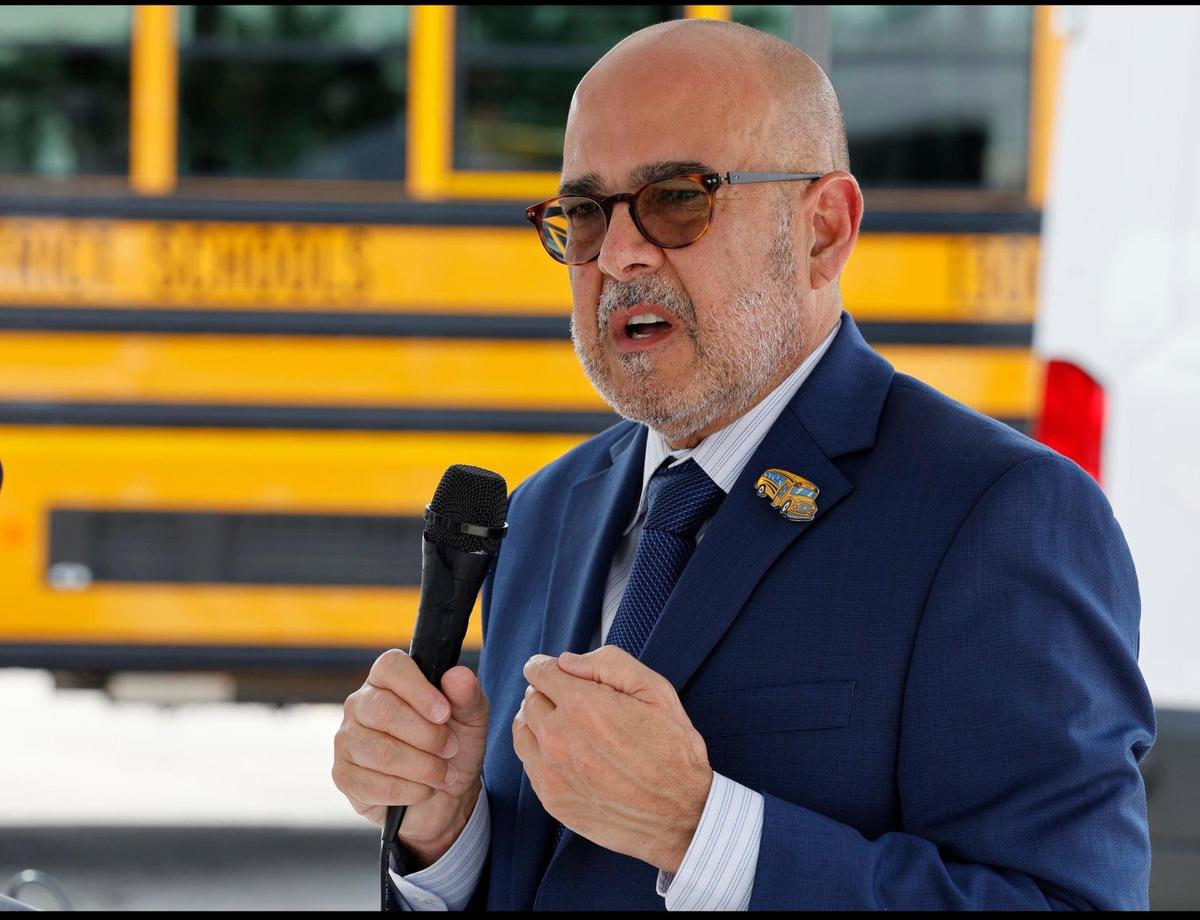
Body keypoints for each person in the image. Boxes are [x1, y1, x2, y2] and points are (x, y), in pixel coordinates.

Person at [332, 18, 1155, 911]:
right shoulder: (542, 513)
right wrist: (445, 836)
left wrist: (700, 833)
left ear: (824, 231)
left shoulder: (996, 513)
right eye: (583, 213)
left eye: (679, 198)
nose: (617, 253)